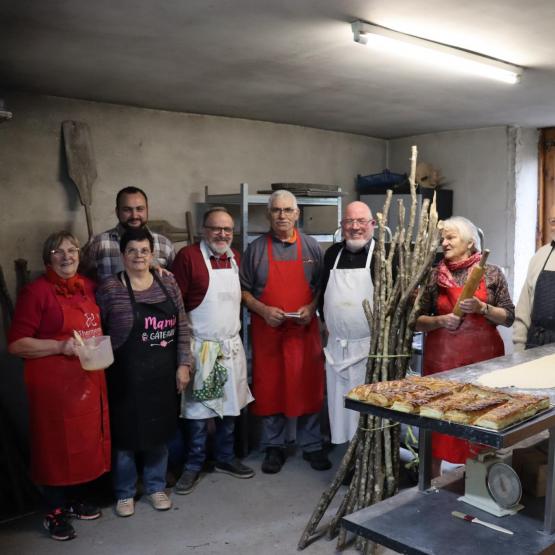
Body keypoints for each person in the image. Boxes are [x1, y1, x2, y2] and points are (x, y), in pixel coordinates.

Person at [8, 231, 110, 541]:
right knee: (55, 447)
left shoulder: (89, 288)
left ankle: (75, 500)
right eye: (58, 251)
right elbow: (16, 345)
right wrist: (59, 347)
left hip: (89, 380)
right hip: (54, 386)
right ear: (47, 258)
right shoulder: (36, 293)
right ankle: (53, 510)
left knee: (83, 443)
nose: (66, 256)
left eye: (72, 250)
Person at [96, 228, 191, 517]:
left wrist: (183, 364)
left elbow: (182, 326)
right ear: (123, 256)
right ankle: (125, 492)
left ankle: (155, 486)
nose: (139, 256)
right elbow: (98, 330)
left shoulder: (167, 282)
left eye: (144, 250)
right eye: (132, 251)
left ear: (152, 254)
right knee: (125, 437)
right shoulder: (110, 288)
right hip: (125, 374)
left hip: (162, 373)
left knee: (159, 433)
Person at [240, 190, 331, 474]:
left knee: (308, 385)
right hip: (268, 333)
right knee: (271, 388)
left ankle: (312, 445)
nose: (282, 215)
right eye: (276, 210)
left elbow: (320, 288)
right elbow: (242, 291)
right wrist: (264, 311)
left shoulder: (312, 248)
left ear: (297, 214)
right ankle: (274, 447)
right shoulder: (255, 250)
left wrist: (310, 307)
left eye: (287, 210)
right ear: (269, 214)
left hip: (304, 333)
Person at [415, 216, 514, 474]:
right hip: (442, 367)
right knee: (437, 425)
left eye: (450, 238)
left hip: (484, 367)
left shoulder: (491, 273)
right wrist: (440, 320)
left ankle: (478, 487)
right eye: (443, 238)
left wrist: (483, 308)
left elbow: (508, 316)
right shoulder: (433, 275)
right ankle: (430, 486)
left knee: (480, 426)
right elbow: (414, 322)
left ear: (470, 243)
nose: (444, 243)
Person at [172, 207, 255, 494]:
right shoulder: (188, 258)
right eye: (216, 229)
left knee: (230, 408)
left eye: (227, 230)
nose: (222, 234)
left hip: (230, 345)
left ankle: (225, 457)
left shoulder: (235, 259)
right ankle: (193, 465)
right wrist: (183, 354)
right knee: (199, 413)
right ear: (203, 231)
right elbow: (177, 307)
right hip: (203, 348)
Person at [320, 201, 376, 445]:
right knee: (339, 405)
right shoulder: (333, 253)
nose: (355, 227)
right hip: (337, 347)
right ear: (342, 226)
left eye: (361, 222)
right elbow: (323, 292)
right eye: (349, 222)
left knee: (365, 408)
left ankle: (364, 455)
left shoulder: (384, 255)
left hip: (368, 350)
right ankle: (346, 454)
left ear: (372, 224)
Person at [82, 186, 175, 281]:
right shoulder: (98, 243)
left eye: (140, 209)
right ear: (117, 212)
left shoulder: (165, 244)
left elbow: (174, 280)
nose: (134, 216)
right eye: (127, 210)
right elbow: (82, 280)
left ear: (147, 210)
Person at [514, 205, 555, 350]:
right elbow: (523, 310)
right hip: (536, 345)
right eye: (553, 222)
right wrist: (519, 349)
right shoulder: (540, 256)